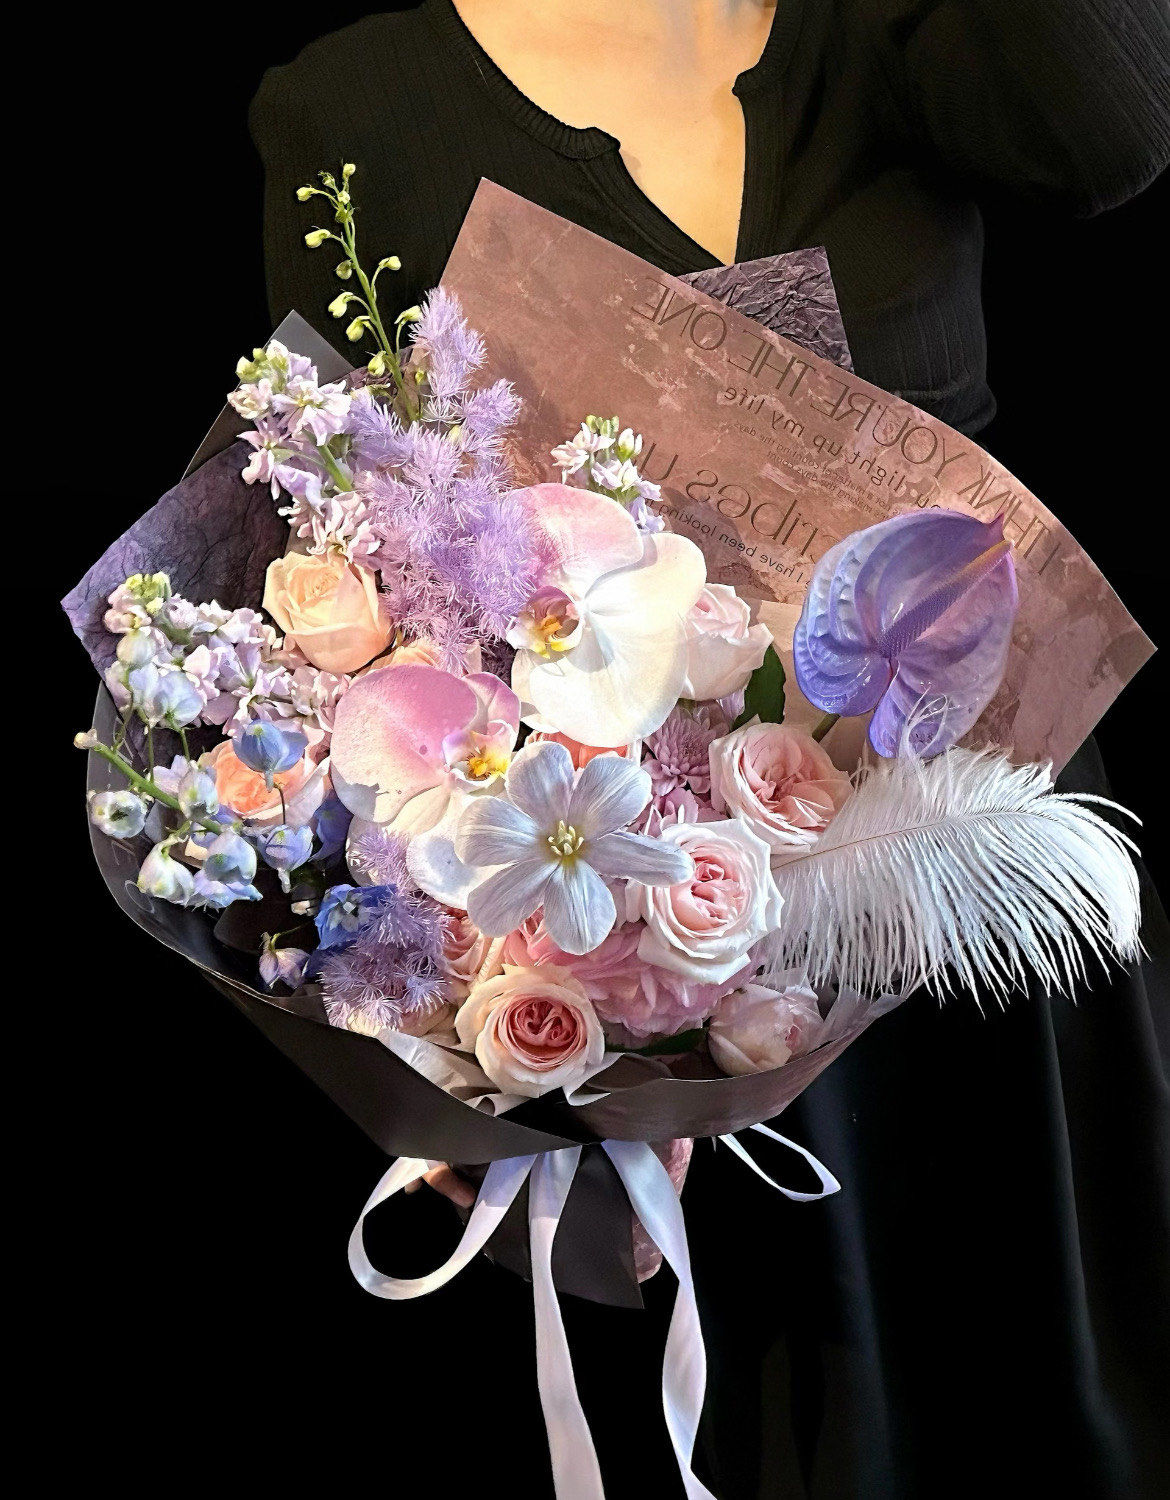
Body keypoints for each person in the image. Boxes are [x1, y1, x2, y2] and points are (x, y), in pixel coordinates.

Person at [250, 4, 1170, 1494]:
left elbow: (1112, 130)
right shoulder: (354, 105)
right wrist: (459, 1028)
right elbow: (345, 593)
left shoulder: (903, 41)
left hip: (978, 912)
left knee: (1056, 1409)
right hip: (649, 993)